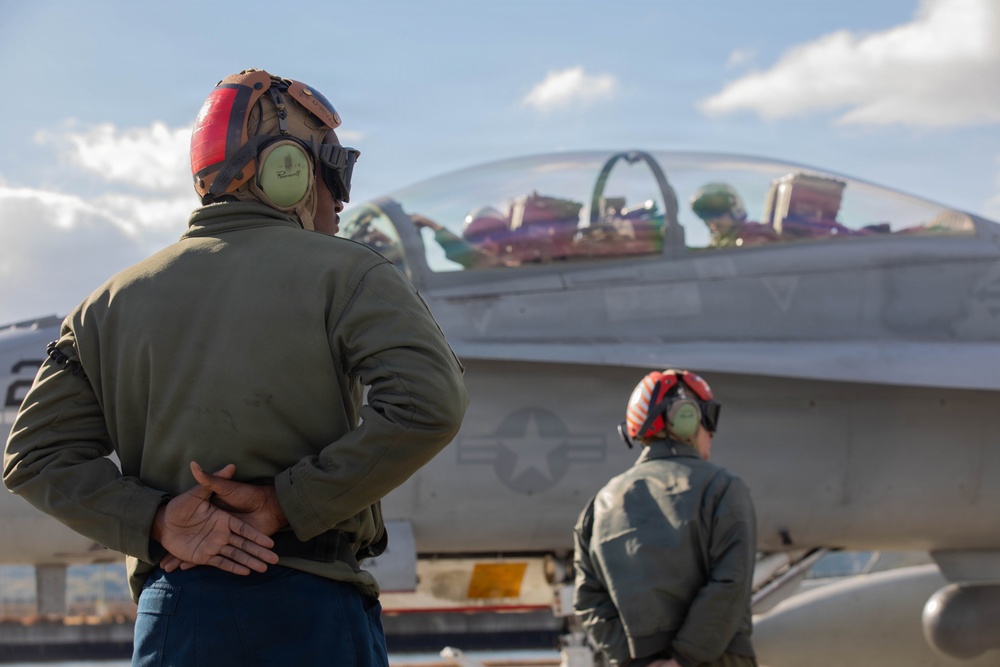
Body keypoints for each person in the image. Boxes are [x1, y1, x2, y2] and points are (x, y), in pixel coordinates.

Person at [3, 68, 468, 666]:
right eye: (334, 170)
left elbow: (34, 458)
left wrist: (159, 521)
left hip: (174, 619)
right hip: (311, 610)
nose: (341, 197)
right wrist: (285, 504)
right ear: (287, 170)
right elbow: (431, 404)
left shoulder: (105, 305)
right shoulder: (350, 273)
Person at [573, 369, 757, 667]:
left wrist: (636, 662)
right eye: (709, 417)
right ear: (688, 419)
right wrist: (684, 658)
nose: (711, 432)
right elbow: (731, 582)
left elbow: (588, 600)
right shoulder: (722, 489)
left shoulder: (599, 505)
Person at [411, 206, 510, 269]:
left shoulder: (517, 267)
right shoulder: (476, 267)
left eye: (494, 233)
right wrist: (433, 226)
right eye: (476, 236)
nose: (486, 241)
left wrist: (433, 225)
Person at [690, 183, 775, 249]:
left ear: (734, 208)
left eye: (717, 212)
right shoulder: (720, 240)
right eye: (705, 215)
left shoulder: (754, 234)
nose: (713, 220)